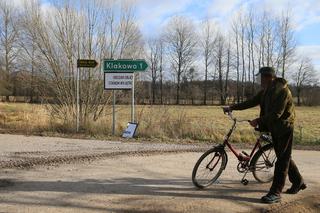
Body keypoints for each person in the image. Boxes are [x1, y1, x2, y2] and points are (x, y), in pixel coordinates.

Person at [223, 67, 306, 204]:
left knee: (282, 160)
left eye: (260, 77)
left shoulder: (282, 91)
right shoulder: (266, 91)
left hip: (284, 128)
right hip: (274, 127)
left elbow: (276, 114)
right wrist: (232, 107)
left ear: (268, 77)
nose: (258, 80)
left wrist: (258, 121)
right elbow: (250, 102)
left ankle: (276, 193)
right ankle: (298, 181)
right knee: (283, 156)